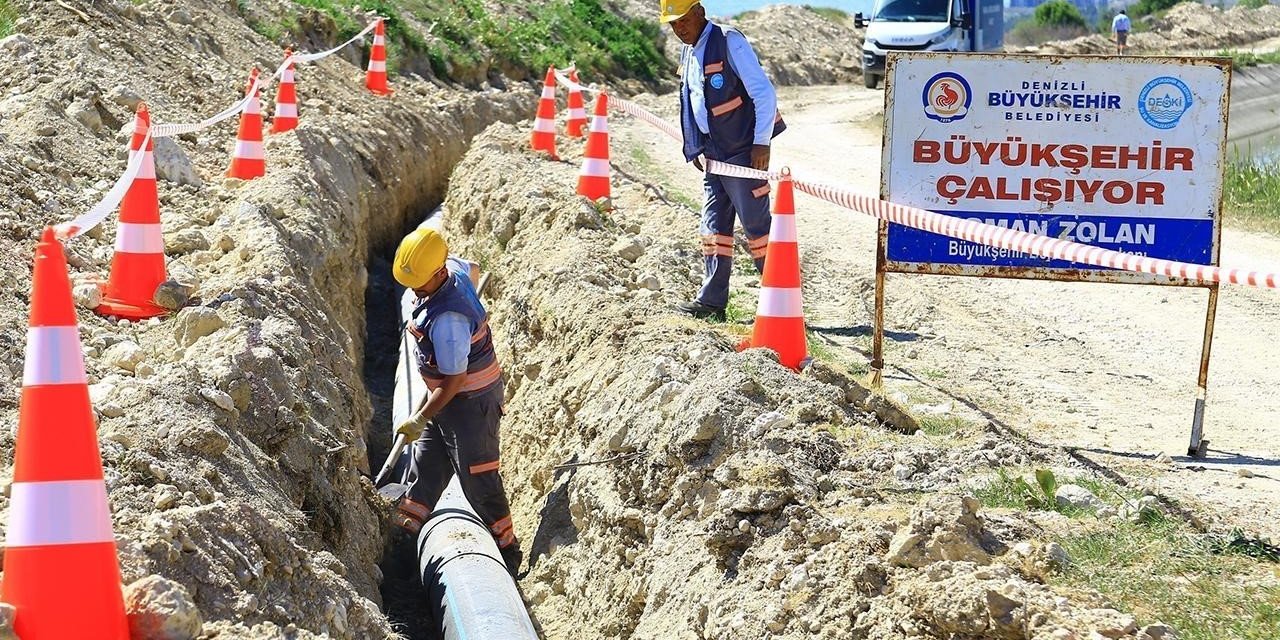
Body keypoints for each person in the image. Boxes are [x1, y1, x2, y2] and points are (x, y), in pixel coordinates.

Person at [390, 227, 522, 576]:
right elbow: (473, 268)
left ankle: (507, 549)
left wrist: (419, 417)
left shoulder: (449, 320)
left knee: (478, 480)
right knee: (426, 467)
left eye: (419, 283)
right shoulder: (452, 270)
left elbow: (455, 380)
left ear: (437, 272)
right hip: (445, 401)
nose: (414, 290)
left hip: (470, 405)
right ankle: (405, 545)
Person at [661, 0, 786, 321]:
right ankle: (712, 301)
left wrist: (761, 143)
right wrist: (697, 146)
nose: (679, 29)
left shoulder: (730, 41)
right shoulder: (689, 51)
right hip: (715, 156)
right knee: (714, 228)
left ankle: (785, 302)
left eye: (683, 21)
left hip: (744, 153)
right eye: (673, 25)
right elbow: (695, 101)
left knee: (758, 231)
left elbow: (763, 93)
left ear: (700, 11)